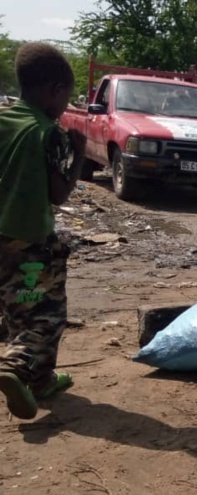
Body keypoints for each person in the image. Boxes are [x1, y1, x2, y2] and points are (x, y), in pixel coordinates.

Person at [0, 42, 85, 419]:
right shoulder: (48, 132)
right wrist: (78, 152)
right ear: (54, 90)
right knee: (46, 312)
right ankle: (16, 367)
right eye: (67, 96)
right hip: (28, 239)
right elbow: (59, 194)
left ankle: (41, 380)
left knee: (17, 304)